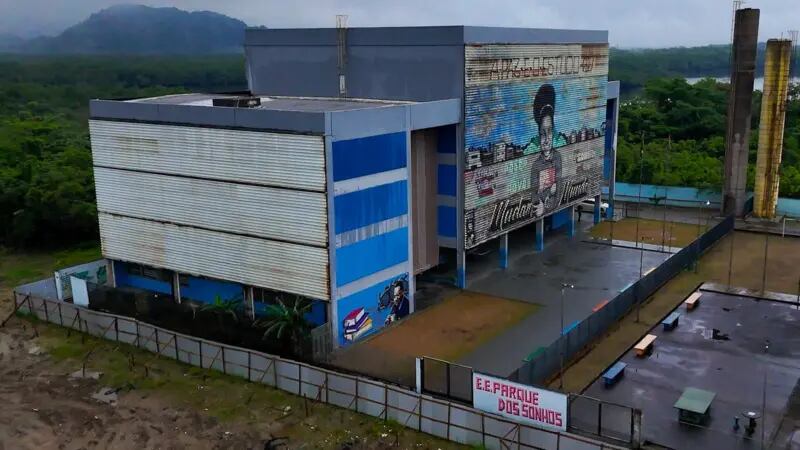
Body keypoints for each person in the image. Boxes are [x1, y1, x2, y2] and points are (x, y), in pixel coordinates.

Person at [528, 84, 565, 217]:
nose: (546, 140)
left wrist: (547, 204)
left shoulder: (557, 158)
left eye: (549, 133)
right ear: (539, 135)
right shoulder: (536, 166)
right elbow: (534, 196)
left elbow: (559, 190)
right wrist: (548, 194)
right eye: (543, 134)